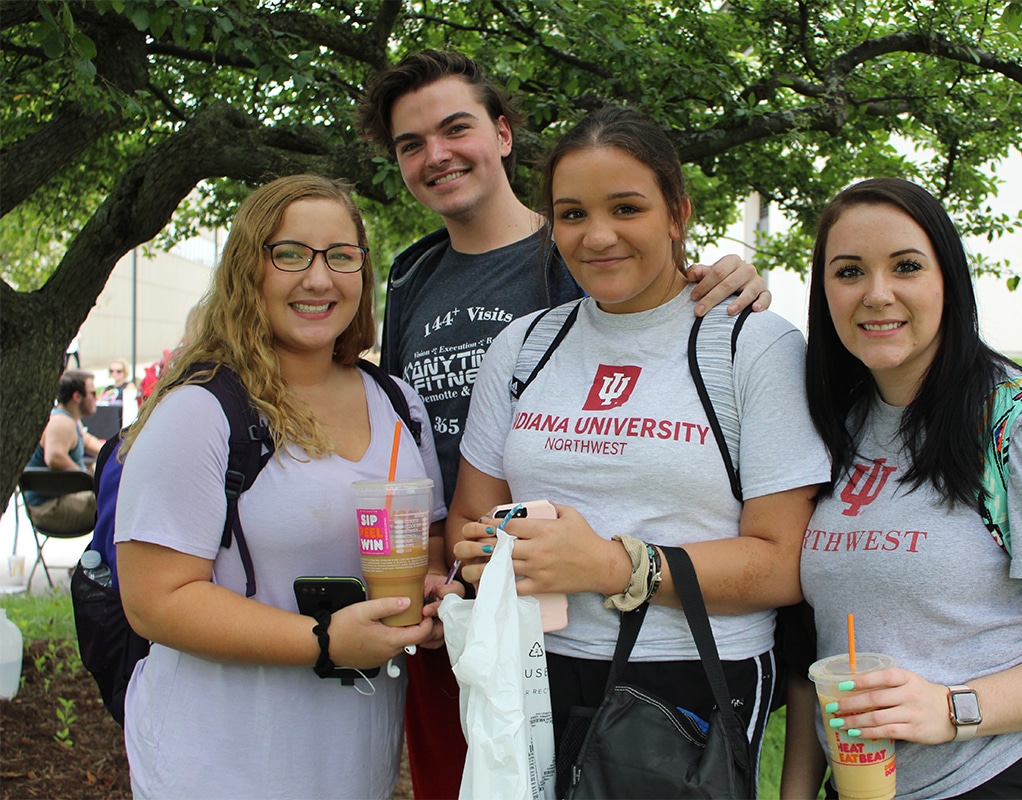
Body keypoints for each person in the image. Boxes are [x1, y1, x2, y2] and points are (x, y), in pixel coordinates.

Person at [357, 48, 774, 797]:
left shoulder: (568, 263)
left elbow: (649, 293)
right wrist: (449, 558)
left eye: (456, 128)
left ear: (504, 134)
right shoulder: (414, 274)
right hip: (483, 607)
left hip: (649, 639)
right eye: (411, 145)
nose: (437, 156)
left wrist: (728, 277)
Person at [447, 105, 829, 792]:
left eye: (627, 208)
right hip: (528, 671)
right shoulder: (524, 346)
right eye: (571, 214)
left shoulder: (751, 344)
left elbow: (782, 565)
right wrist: (484, 556)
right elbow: (470, 521)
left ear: (676, 212)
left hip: (690, 680)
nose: (598, 236)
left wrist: (611, 565)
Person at [784, 178, 1022, 798]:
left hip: (1007, 772)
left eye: (906, 266)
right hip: (863, 782)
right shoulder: (833, 426)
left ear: (948, 283)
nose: (877, 294)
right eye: (849, 271)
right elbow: (816, 651)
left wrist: (952, 708)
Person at [114, 175, 457, 799]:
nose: (319, 279)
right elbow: (153, 600)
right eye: (291, 254)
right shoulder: (201, 410)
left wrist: (434, 597)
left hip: (351, 753)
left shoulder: (397, 403)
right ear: (251, 268)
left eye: (341, 256)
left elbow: (427, 545)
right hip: (220, 758)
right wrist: (325, 641)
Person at [24, 370, 104, 531]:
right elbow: (54, 457)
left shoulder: (69, 420)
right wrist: (85, 476)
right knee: (117, 503)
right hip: (50, 509)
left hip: (58, 502)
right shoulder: (61, 423)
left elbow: (89, 442)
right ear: (77, 397)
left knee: (113, 498)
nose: (96, 398)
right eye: (93, 393)